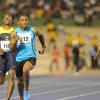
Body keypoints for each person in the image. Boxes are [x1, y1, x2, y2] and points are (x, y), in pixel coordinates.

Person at [11, 14, 46, 100]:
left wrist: (43, 46)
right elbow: (11, 48)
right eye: (22, 20)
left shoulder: (33, 29)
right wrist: (15, 41)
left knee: (25, 70)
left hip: (31, 56)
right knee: (19, 81)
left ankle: (26, 90)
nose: (25, 21)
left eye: (26, 19)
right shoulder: (15, 32)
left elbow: (41, 36)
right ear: (18, 23)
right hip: (19, 58)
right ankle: (21, 97)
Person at [0, 13, 15, 100]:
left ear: (12, 20)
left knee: (11, 74)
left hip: (11, 55)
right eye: (5, 17)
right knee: (1, 81)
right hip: (1, 56)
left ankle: (8, 98)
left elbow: (15, 45)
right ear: (3, 20)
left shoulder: (15, 31)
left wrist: (13, 43)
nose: (7, 18)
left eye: (9, 17)